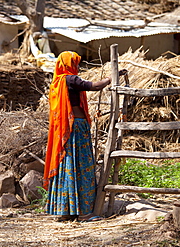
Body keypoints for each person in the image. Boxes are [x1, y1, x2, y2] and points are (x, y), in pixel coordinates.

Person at [44, 51, 112, 222]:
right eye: (75, 63)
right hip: (76, 129)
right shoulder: (69, 79)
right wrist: (112, 78)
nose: (78, 67)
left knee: (67, 166)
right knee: (81, 167)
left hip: (66, 131)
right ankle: (84, 212)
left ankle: (65, 210)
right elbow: (95, 86)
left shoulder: (57, 82)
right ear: (68, 65)